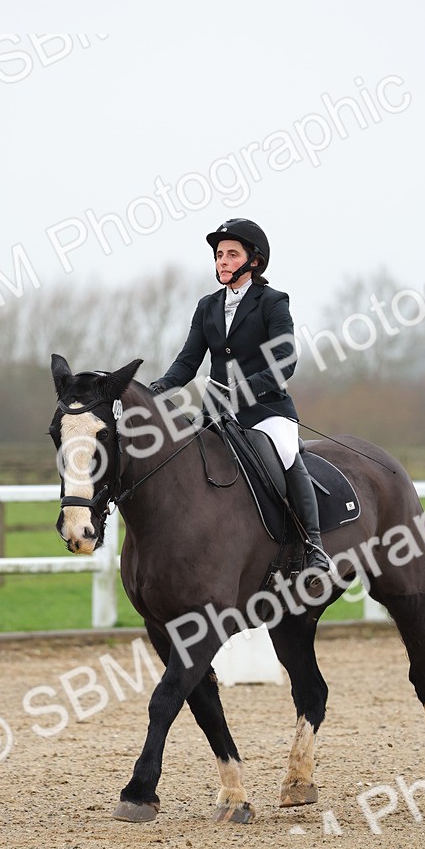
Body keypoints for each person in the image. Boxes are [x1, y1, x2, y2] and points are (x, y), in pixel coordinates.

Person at [149, 218, 335, 589]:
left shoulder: (272, 302)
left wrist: (242, 391)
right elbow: (188, 361)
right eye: (219, 255)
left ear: (254, 261)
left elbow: (284, 360)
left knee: (284, 453)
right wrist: (157, 389)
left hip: (267, 411)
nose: (222, 261)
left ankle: (313, 546)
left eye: (232, 254)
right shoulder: (207, 306)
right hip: (215, 412)